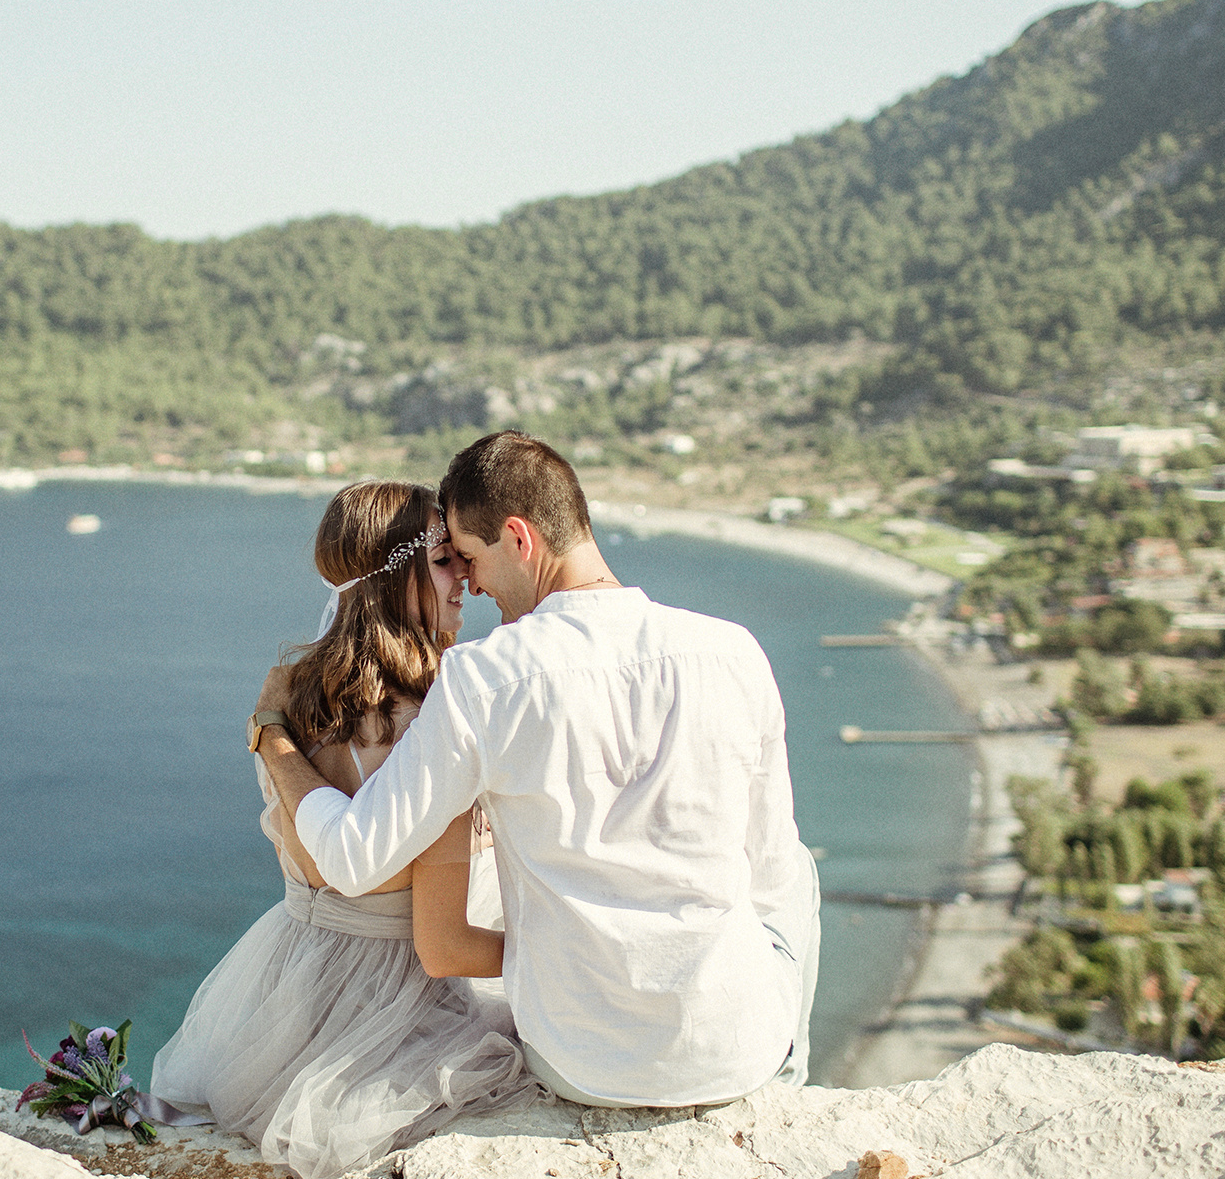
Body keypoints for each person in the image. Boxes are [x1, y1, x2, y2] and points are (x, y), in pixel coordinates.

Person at [253, 431, 821, 1109]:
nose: (470, 581)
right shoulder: (734, 651)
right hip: (734, 1054)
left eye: (467, 556)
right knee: (796, 874)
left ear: (519, 539)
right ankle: (790, 1081)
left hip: (582, 1063)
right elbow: (768, 870)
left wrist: (272, 737)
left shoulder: (483, 679)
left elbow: (350, 857)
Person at [145, 479, 536, 1179]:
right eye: (446, 560)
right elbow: (441, 941)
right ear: (399, 575)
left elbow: (319, 860)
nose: (467, 582)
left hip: (289, 984)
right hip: (394, 1003)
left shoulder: (288, 694)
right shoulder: (435, 714)